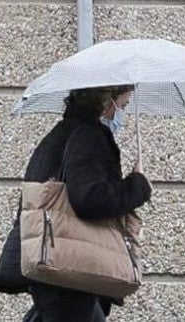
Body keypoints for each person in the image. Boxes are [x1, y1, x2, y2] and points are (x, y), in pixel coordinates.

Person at [9, 85, 152, 322]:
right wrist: (137, 185)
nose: (122, 114)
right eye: (123, 106)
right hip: (71, 269)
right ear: (107, 102)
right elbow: (89, 199)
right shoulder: (87, 137)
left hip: (57, 268)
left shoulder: (61, 135)